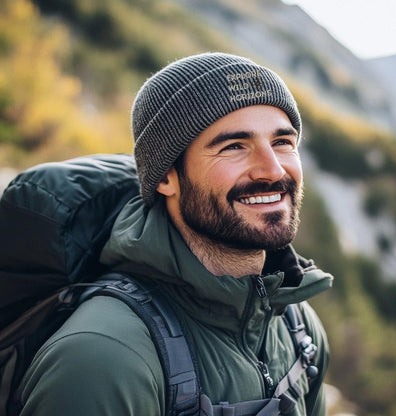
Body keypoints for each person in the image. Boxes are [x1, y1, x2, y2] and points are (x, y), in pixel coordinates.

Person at [18, 52, 333, 415]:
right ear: (166, 177)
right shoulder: (102, 359)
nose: (272, 169)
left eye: (283, 142)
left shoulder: (297, 326)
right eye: (234, 146)